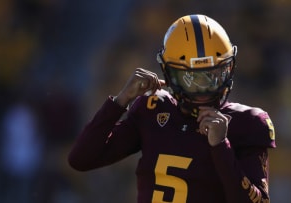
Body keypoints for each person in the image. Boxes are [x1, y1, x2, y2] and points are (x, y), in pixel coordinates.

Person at [68, 14, 276, 203]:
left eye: (213, 76)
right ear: (169, 74)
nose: (203, 90)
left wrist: (221, 146)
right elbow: (82, 159)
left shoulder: (248, 121)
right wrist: (120, 101)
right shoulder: (154, 109)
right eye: (191, 78)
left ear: (229, 69)